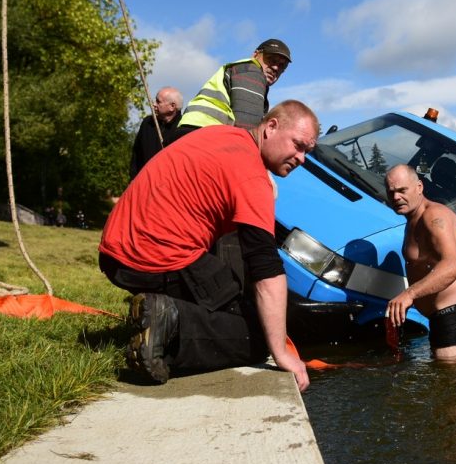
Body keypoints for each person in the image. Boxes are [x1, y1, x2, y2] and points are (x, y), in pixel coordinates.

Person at [98, 99, 319, 391]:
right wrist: (280, 351)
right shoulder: (252, 175)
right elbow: (266, 269)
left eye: (307, 152)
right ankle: (170, 327)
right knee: (256, 336)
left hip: (115, 249)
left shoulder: (224, 136)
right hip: (152, 256)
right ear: (271, 127)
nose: (302, 158)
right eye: (298, 146)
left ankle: (165, 314)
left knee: (236, 298)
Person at [384, 164, 456, 360]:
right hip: (441, 318)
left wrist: (410, 294)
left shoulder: (434, 216)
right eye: (391, 192)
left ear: (419, 187)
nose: (395, 197)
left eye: (402, 190)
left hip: (454, 316)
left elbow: (453, 266)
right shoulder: (413, 219)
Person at [175, 39, 291, 138]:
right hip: (203, 134)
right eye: (271, 59)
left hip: (194, 132)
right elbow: (247, 127)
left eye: (282, 66)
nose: (276, 67)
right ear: (255, 55)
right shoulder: (251, 71)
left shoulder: (241, 70)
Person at [130, 86, 183, 179]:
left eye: (158, 102)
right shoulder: (147, 123)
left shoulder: (182, 129)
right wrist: (134, 180)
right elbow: (136, 155)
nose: (154, 104)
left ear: (172, 106)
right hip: (143, 183)